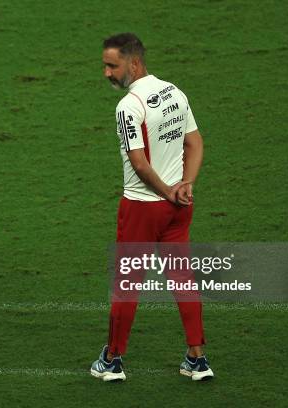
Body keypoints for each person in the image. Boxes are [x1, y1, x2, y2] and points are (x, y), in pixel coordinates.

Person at [90, 33, 214, 382]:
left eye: (112, 66)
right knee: (183, 278)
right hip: (178, 208)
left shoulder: (129, 106)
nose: (107, 73)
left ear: (133, 63)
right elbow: (195, 142)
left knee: (127, 284)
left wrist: (168, 192)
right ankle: (197, 359)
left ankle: (112, 360)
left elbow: (140, 164)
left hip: (142, 208)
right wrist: (185, 185)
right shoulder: (174, 92)